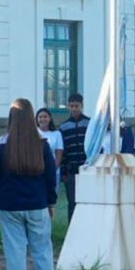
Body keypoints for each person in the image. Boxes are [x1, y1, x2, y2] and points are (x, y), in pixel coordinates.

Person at [0, 98, 59, 270]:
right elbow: (50, 177)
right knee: (43, 251)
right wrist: (51, 202)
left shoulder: (0, 145)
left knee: (15, 253)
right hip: (37, 203)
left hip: (9, 205)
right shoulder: (42, 143)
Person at [59, 93, 89, 221]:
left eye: (76, 106)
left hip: (87, 169)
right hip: (71, 171)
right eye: (71, 106)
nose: (74, 109)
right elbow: (63, 150)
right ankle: (72, 230)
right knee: (72, 202)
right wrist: (64, 171)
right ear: (68, 106)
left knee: (87, 201)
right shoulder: (64, 126)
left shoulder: (89, 123)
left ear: (82, 106)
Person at [35, 107, 65, 172]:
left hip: (53, 170)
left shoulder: (57, 134)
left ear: (50, 118)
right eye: (40, 117)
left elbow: (59, 155)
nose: (43, 119)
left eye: (45, 117)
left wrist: (53, 169)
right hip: (36, 171)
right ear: (37, 119)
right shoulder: (33, 132)